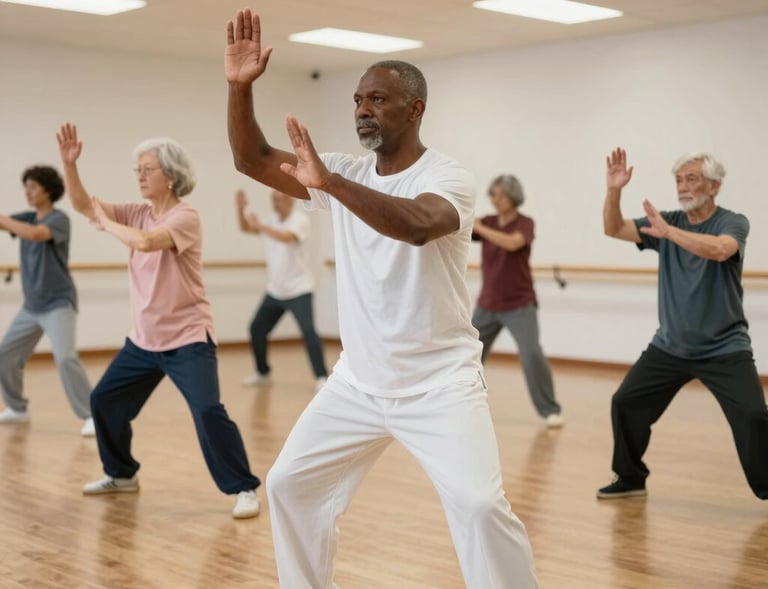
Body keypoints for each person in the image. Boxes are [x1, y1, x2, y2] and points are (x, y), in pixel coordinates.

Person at [225, 9, 538, 588]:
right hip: (358, 382)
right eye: (357, 100)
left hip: (439, 383)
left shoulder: (448, 177)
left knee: (478, 506)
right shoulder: (340, 171)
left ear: (415, 110)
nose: (362, 110)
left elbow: (416, 225)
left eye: (377, 99)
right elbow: (251, 158)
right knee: (290, 484)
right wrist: (239, 88)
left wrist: (330, 184)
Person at [55, 123, 262, 519]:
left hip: (188, 338)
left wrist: (105, 223)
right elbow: (83, 205)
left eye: (147, 169)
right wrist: (70, 166)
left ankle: (243, 487)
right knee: (103, 401)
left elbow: (147, 242)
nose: (140, 176)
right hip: (144, 340)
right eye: (137, 170)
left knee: (207, 409)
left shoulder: (186, 217)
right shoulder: (138, 213)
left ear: (170, 175)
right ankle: (121, 474)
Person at [597, 147, 768, 500]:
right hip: (670, 346)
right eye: (678, 180)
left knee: (753, 416)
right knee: (625, 402)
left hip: (725, 348)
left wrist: (671, 234)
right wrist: (614, 190)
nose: (683, 186)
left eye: (692, 179)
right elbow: (613, 228)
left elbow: (720, 249)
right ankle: (630, 478)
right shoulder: (667, 222)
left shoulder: (732, 222)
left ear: (714, 186)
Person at [0, 165, 94, 437]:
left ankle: (92, 414)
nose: (28, 192)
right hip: (31, 307)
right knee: (5, 355)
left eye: (33, 186)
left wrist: (5, 220)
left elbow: (35, 234)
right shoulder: (27, 217)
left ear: (48, 190)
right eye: (26, 187)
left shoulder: (59, 219)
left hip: (58, 304)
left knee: (65, 358)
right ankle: (17, 408)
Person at [472, 174, 563, 428]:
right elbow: (461, 229)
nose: (496, 199)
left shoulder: (525, 223)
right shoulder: (488, 222)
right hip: (487, 304)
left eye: (501, 195)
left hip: (520, 305)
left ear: (513, 196)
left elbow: (513, 243)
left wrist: (480, 228)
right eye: (493, 195)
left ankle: (550, 410)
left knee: (531, 353)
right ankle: (463, 405)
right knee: (468, 355)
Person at [235, 188, 328, 392]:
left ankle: (322, 377)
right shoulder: (271, 221)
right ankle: (263, 373)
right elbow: (246, 228)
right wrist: (240, 210)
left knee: (309, 332)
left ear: (290, 200)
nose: (276, 203)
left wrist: (261, 226)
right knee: (256, 329)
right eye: (273, 199)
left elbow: (287, 237)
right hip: (275, 291)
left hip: (299, 289)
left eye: (279, 199)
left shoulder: (300, 219)